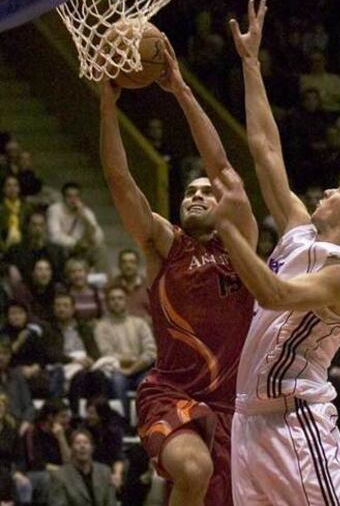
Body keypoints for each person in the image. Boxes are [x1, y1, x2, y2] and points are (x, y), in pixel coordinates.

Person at [206, 0, 340, 505]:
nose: (327, 193)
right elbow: (265, 149)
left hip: (297, 423)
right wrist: (251, 64)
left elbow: (272, 292)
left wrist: (228, 229)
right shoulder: (299, 231)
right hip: (249, 421)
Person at [99, 48, 256, 505]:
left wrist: (181, 89)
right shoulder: (164, 244)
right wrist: (108, 110)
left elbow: (225, 169)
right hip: (170, 392)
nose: (197, 195)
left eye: (206, 192)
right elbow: (119, 179)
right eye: (189, 192)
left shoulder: (239, 242)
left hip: (232, 407)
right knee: (195, 467)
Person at [95, 285, 156, 416]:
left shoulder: (140, 323)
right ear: (106, 303)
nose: (116, 302)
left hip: (141, 370)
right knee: (118, 381)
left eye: (120, 298)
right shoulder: (101, 326)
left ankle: (146, 423)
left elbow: (151, 352)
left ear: (126, 301)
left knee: (149, 381)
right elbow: (106, 354)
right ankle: (123, 423)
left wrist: (132, 368)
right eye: (112, 299)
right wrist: (132, 360)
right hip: (115, 370)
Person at [47, 428, 117, 506]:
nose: (82, 446)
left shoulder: (105, 472)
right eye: (78, 443)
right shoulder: (60, 476)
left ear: (92, 448)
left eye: (86, 443)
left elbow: (111, 502)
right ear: (71, 448)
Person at [47, 182, 106, 271]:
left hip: (82, 248)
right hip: (63, 247)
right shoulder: (55, 210)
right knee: (56, 249)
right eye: (69, 196)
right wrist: (75, 244)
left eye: (76, 196)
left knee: (100, 249)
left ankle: (102, 279)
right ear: (63, 198)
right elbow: (54, 236)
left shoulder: (86, 212)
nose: (73, 200)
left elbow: (98, 236)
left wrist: (84, 217)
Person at [109, 249, 150, 322]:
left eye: (132, 262)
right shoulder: (111, 286)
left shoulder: (149, 286)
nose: (128, 266)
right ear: (119, 265)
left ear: (138, 265)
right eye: (124, 262)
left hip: (143, 329)